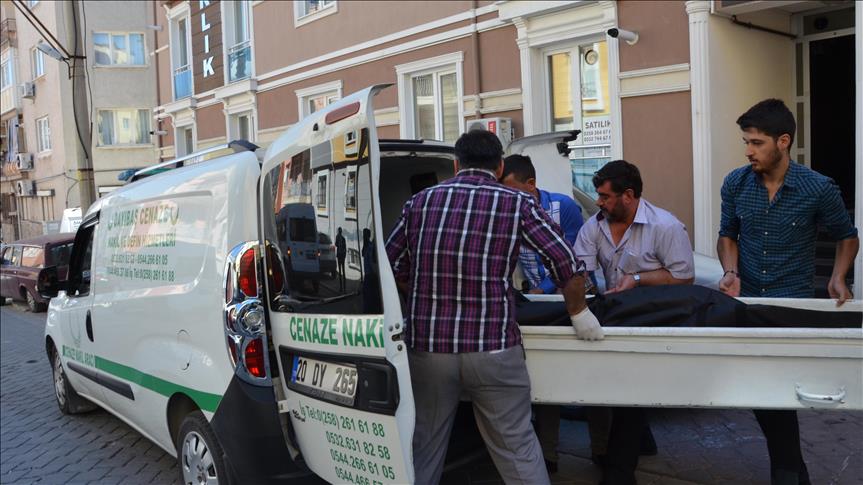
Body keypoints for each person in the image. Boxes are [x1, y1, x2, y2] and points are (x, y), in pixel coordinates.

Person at [386, 129, 604, 485]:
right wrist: (579, 314)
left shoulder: (419, 203)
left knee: (424, 445)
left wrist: (422, 290)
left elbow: (390, 262)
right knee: (516, 447)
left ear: (456, 164)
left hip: (428, 349)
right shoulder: (517, 203)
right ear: (500, 166)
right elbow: (566, 263)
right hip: (493, 348)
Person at [717, 98, 859, 485]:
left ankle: (788, 473)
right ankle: (793, 473)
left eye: (757, 143)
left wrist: (838, 276)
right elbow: (727, 234)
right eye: (746, 142)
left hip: (791, 304)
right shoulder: (735, 183)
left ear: (783, 141)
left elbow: (847, 236)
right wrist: (730, 270)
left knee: (776, 390)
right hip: (748, 302)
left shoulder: (818, 187)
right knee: (763, 392)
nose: (748, 151)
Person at [573, 159, 695, 485]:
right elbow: (581, 272)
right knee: (620, 386)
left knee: (631, 386)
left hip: (654, 318)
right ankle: (640, 442)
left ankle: (619, 472)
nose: (598, 202)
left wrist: (638, 279)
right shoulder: (593, 226)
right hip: (613, 316)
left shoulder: (666, 226)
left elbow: (684, 276)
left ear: (628, 195)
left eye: (604, 196)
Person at [500, 154, 584, 473]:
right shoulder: (505, 211)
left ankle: (604, 450)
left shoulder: (564, 207)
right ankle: (549, 455)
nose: (504, 195)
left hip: (573, 302)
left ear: (531, 184)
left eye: (509, 188)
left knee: (588, 379)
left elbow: (574, 258)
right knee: (546, 383)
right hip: (539, 308)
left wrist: (544, 289)